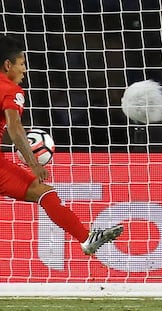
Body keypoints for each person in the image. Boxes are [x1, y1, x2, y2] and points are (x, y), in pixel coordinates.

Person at [0, 34, 123, 255]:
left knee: (45, 193)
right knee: (44, 193)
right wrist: (33, 163)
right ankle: (85, 238)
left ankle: (87, 237)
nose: (24, 70)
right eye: (22, 64)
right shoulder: (10, 90)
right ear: (8, 64)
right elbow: (15, 127)